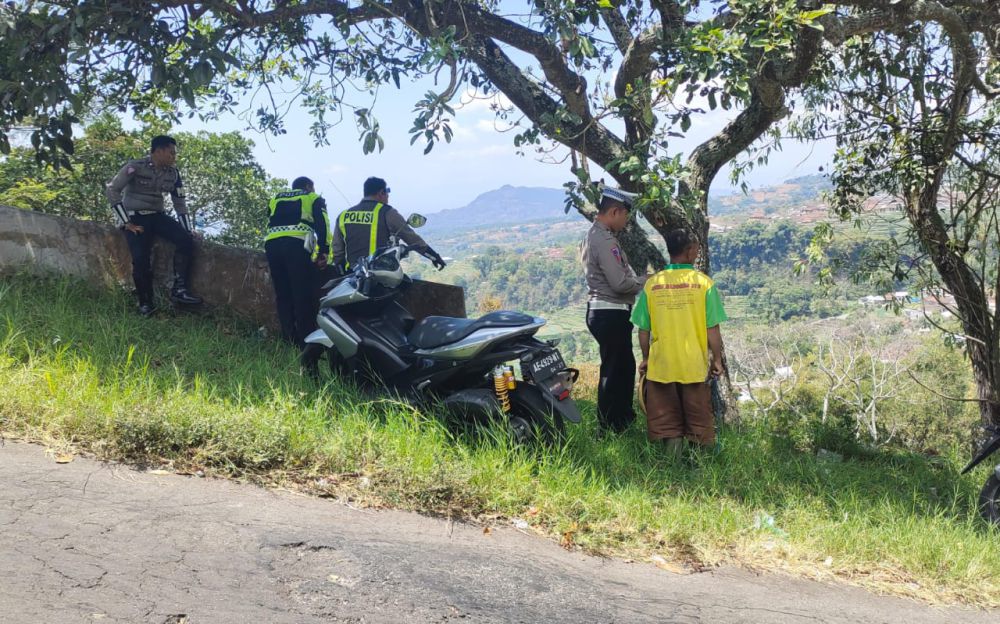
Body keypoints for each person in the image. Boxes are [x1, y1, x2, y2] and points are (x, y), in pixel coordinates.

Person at [630, 228, 727, 459]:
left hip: (662, 365)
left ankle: (671, 464)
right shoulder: (704, 284)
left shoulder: (653, 285)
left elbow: (643, 330)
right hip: (692, 365)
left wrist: (646, 358)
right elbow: (712, 328)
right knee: (698, 418)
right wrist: (717, 359)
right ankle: (697, 464)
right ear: (690, 251)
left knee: (667, 420)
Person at [107, 135, 203, 316]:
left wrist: (188, 229)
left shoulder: (173, 174)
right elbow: (112, 189)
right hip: (135, 217)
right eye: (171, 153)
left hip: (157, 216)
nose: (174, 157)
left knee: (185, 240)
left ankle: (180, 289)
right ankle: (145, 303)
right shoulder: (135, 166)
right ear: (158, 151)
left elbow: (179, 203)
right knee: (141, 259)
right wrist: (125, 221)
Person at [581, 186, 646, 435]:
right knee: (615, 369)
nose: (626, 221)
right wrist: (645, 280)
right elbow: (619, 283)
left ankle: (619, 422)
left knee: (621, 366)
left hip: (605, 312)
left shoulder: (593, 236)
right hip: (610, 311)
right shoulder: (605, 240)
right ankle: (611, 426)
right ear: (615, 211)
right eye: (626, 216)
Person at [264, 176, 330, 348]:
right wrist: (324, 250)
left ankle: (288, 338)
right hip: (296, 246)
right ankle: (306, 342)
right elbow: (323, 224)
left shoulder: (276, 198)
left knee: (283, 294)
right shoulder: (312, 198)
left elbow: (269, 218)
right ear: (308, 186)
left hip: (272, 246)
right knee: (302, 294)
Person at [332, 177, 445, 272]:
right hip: (380, 275)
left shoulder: (343, 215)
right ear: (381, 193)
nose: (388, 196)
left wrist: (342, 271)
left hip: (352, 276)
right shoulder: (387, 212)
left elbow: (337, 250)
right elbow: (412, 239)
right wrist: (434, 256)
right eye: (387, 192)